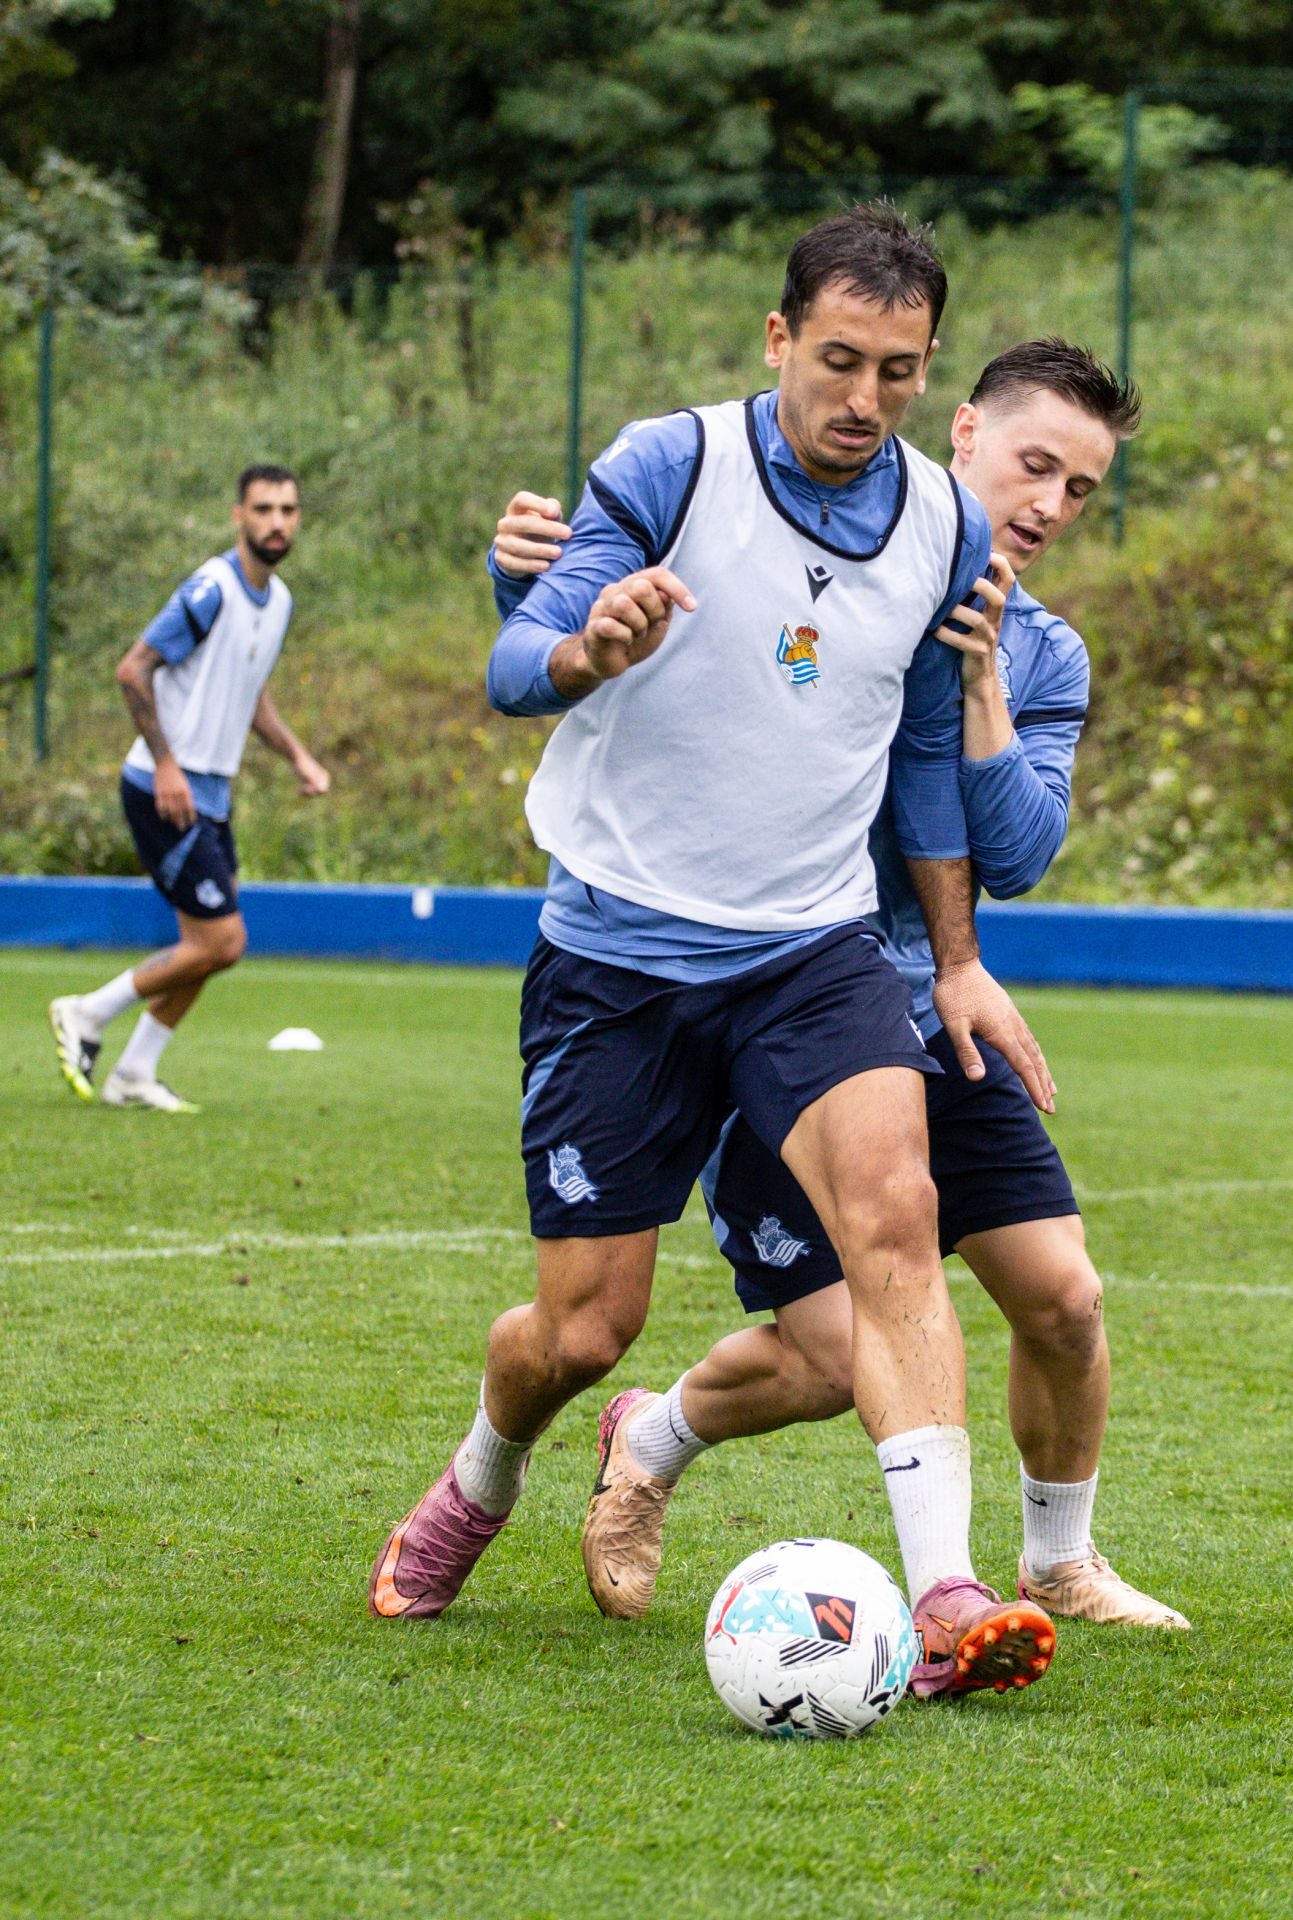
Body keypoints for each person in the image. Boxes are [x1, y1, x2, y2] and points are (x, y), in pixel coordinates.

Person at [370, 204, 1059, 1700]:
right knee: (584, 1326)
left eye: (895, 369)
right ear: (776, 338)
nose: (860, 401)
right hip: (616, 954)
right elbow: (510, 663)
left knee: (897, 1214)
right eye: (835, 361)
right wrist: (583, 649)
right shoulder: (671, 465)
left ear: (928, 365)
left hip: (813, 952)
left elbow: (931, 763)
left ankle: (945, 1594)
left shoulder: (941, 520)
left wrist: (950, 959)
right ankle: (483, 1478)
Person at [493, 339, 1189, 1634]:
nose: (1048, 505)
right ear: (962, 435)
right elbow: (666, 672)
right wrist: (529, 586)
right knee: (824, 1354)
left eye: (1081, 490)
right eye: (1034, 466)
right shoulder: (829, 560)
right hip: (785, 995)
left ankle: (1053, 1564)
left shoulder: (1045, 654)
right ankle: (655, 1444)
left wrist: (977, 685)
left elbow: (1021, 850)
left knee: (1065, 1299)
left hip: (923, 1006)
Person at [48, 465, 329, 1112]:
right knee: (222, 941)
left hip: (211, 794)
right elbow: (133, 669)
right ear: (238, 516)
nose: (277, 522)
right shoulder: (211, 589)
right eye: (264, 509)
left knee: (209, 950)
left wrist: (298, 757)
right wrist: (168, 764)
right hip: (161, 786)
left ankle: (134, 1073)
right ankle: (87, 1013)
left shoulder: (278, 600)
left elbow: (249, 693)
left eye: (288, 509)